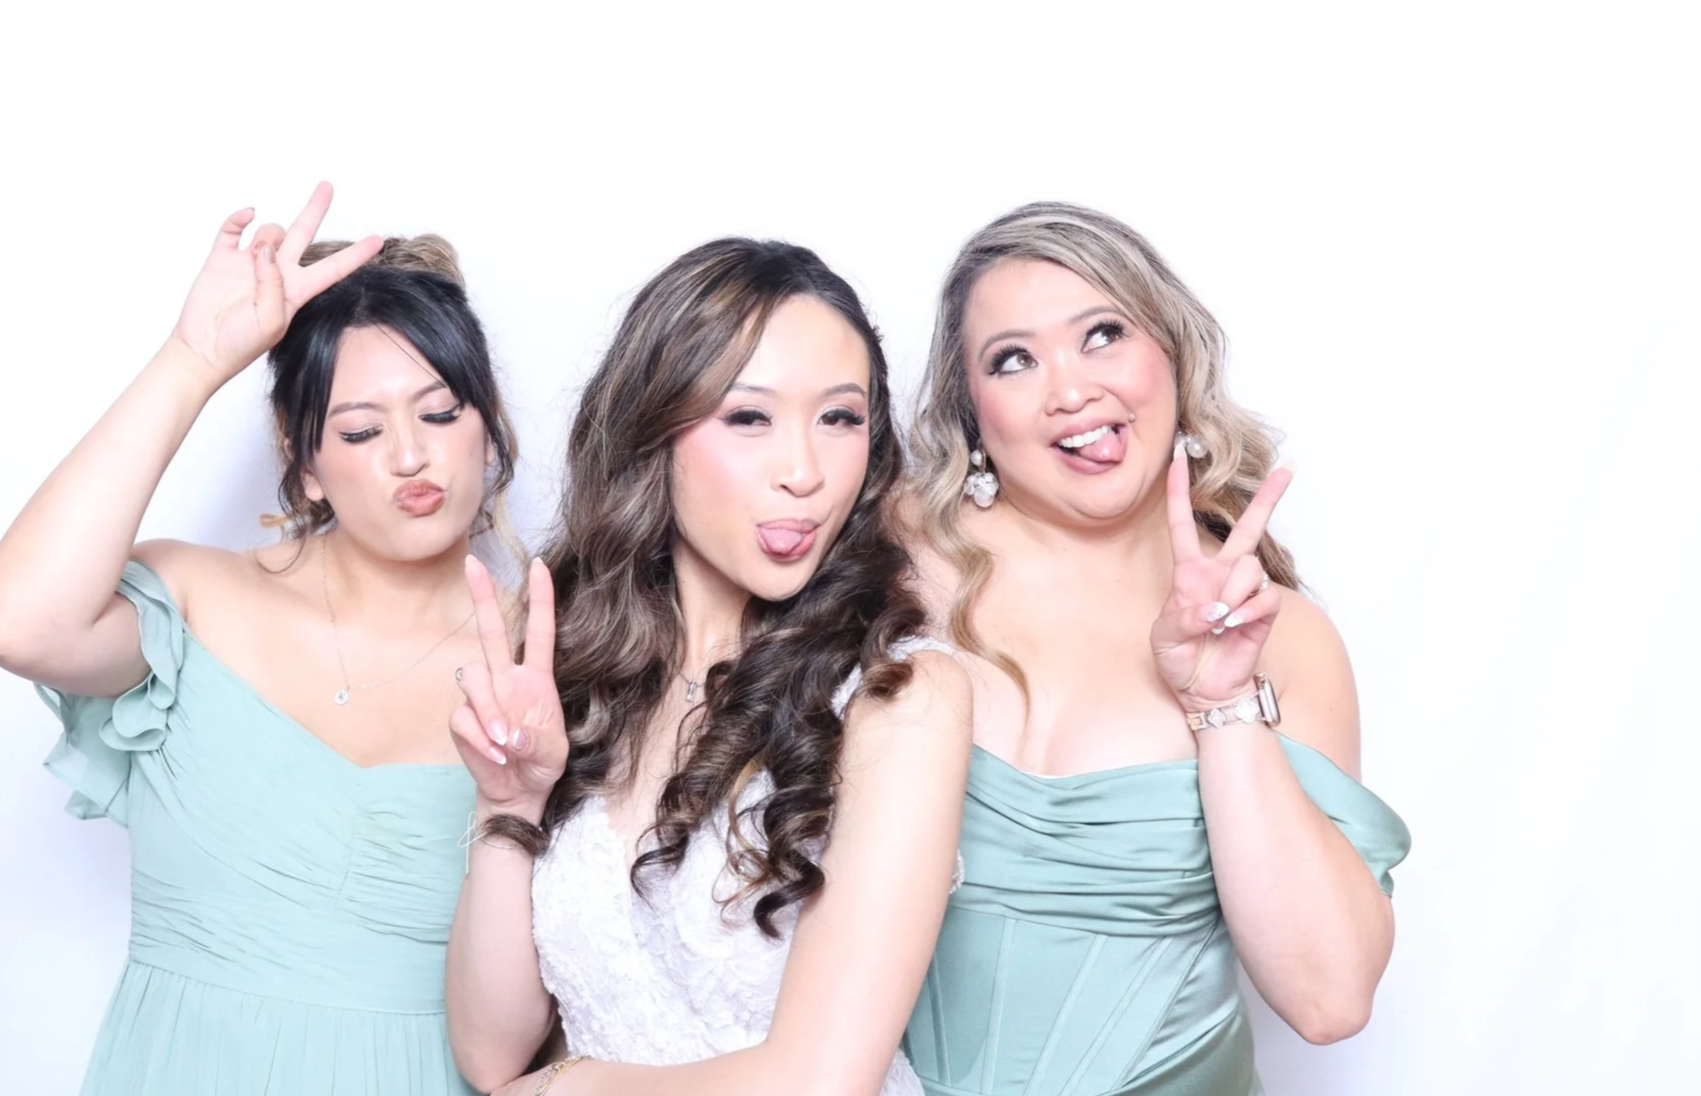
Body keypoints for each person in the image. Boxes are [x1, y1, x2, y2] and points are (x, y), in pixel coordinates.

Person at [0, 184, 518, 1095]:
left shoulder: (549, 656)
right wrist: (191, 359)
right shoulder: (197, 602)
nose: (410, 456)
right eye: (360, 428)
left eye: (442, 410)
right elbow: (17, 623)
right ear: (304, 459)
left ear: (487, 426)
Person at [898, 203, 1411, 1096]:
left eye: (1101, 334)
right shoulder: (889, 568)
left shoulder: (1280, 635)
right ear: (970, 412)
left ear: (1171, 356)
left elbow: (1328, 997)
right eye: (1011, 358)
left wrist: (1221, 703)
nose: (1068, 389)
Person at [442, 239, 973, 1096]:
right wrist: (507, 803)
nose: (804, 472)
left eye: (840, 417)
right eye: (749, 417)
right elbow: (490, 1053)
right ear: (654, 431)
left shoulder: (898, 694)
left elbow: (821, 1079)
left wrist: (563, 1090)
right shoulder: (579, 669)